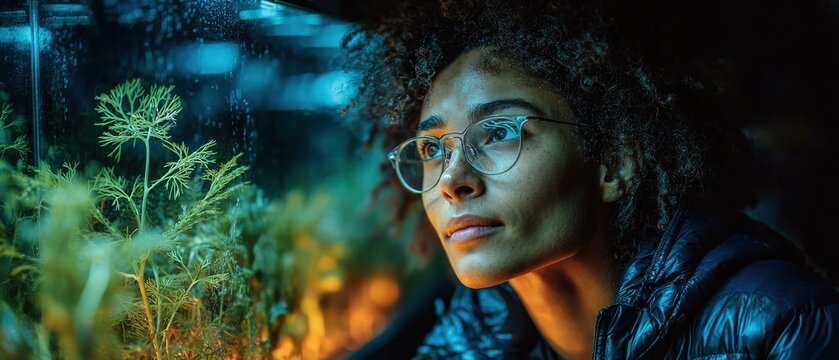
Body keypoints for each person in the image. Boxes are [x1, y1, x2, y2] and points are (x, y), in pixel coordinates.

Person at [342, 0, 839, 358]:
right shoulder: (460, 343)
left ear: (614, 164)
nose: (452, 180)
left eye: (498, 133)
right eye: (432, 149)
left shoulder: (781, 326)